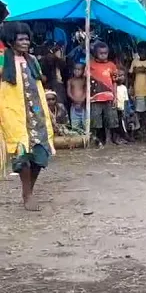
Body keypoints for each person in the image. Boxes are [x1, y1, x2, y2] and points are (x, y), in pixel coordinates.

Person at [0, 22, 56, 211]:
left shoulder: (32, 59)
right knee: (21, 153)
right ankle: (27, 194)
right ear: (10, 40)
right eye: (20, 39)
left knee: (40, 154)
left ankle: (29, 190)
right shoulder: (2, 59)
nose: (25, 42)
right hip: (13, 112)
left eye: (26, 38)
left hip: (36, 113)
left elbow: (39, 81)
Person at [87, 41, 125, 146]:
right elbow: (86, 79)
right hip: (95, 97)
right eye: (101, 53)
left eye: (105, 53)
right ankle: (98, 140)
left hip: (109, 96)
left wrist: (115, 96)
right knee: (96, 120)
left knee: (111, 119)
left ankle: (110, 139)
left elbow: (114, 82)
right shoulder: (90, 64)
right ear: (95, 53)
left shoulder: (111, 65)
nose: (103, 55)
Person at [129, 44, 146, 140]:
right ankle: (134, 134)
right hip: (138, 91)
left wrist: (138, 70)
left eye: (144, 50)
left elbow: (145, 70)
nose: (142, 52)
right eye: (140, 51)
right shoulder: (134, 61)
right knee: (137, 113)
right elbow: (131, 73)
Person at [66, 60, 86, 132]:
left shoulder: (84, 80)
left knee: (85, 123)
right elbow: (69, 92)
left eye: (79, 69)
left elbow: (86, 91)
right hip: (74, 105)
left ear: (83, 71)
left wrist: (82, 100)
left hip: (83, 105)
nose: (76, 71)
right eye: (75, 69)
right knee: (75, 124)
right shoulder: (70, 81)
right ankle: (77, 140)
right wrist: (74, 99)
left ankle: (86, 139)